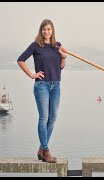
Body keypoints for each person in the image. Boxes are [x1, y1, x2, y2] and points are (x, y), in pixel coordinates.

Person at [17, 19, 67, 163]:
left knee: (53, 118)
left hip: (56, 85)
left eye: (49, 29)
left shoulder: (57, 45)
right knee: (44, 117)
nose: (46, 32)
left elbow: (61, 66)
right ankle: (46, 150)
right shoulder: (35, 45)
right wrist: (32, 75)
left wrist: (63, 56)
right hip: (42, 86)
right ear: (41, 31)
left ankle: (41, 149)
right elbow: (20, 60)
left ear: (53, 31)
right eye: (44, 29)